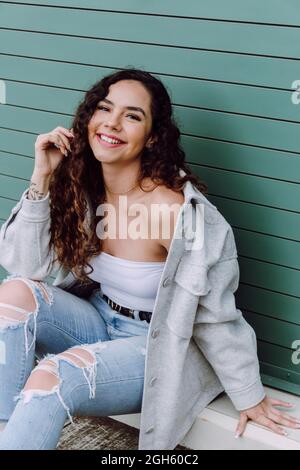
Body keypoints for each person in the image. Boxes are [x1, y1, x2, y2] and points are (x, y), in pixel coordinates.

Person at [0, 68, 299, 450]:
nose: (113, 123)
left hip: (157, 346)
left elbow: (214, 314)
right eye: (104, 109)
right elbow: (26, 267)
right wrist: (41, 178)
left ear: (153, 136)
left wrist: (248, 393)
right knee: (12, 296)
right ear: (88, 119)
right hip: (98, 318)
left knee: (52, 377)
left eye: (132, 116)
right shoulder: (81, 184)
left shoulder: (174, 211)